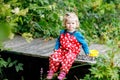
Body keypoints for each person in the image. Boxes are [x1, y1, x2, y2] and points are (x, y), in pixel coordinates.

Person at [46, 12, 90, 80]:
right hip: (62, 49)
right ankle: (52, 70)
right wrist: (56, 48)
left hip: (72, 51)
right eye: (68, 23)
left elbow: (84, 44)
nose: (70, 25)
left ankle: (63, 72)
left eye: (73, 23)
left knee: (68, 58)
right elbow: (58, 40)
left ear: (76, 24)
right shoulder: (62, 32)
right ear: (65, 24)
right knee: (54, 56)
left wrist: (87, 52)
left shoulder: (77, 35)